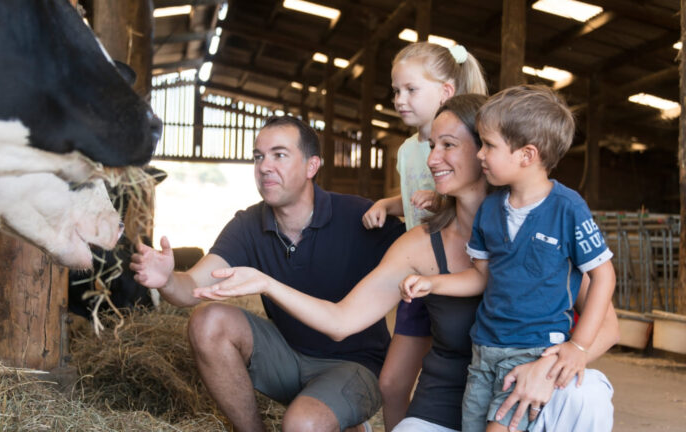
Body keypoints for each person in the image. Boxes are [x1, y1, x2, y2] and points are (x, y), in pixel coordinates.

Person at [193, 95, 618, 432]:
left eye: (449, 145)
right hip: (450, 402)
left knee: (587, 393)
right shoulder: (420, 244)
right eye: (432, 145)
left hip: (533, 386)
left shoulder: (541, 222)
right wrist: (266, 283)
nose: (432, 158)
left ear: (489, 150)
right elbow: (343, 321)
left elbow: (609, 324)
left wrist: (553, 366)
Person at [130, 115, 405, 432]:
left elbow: (422, 248)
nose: (264, 166)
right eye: (258, 157)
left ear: (311, 166)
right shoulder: (249, 225)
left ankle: (340, 416)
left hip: (356, 366)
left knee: (303, 424)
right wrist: (167, 279)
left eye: (279, 155)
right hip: (287, 356)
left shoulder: (358, 216)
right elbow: (191, 287)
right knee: (208, 322)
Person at [400, 85, 616, 432]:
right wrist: (432, 283)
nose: (480, 154)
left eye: (488, 145)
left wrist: (578, 346)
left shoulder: (568, 207)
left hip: (531, 351)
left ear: (527, 155)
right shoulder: (490, 210)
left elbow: (604, 276)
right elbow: (481, 277)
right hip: (483, 351)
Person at [360, 42, 488, 431]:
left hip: (460, 268)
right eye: (396, 90)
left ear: (446, 92)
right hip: (419, 273)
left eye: (411, 89)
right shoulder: (405, 150)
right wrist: (386, 203)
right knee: (392, 381)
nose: (399, 99)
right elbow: (410, 195)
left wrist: (442, 199)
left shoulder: (477, 143)